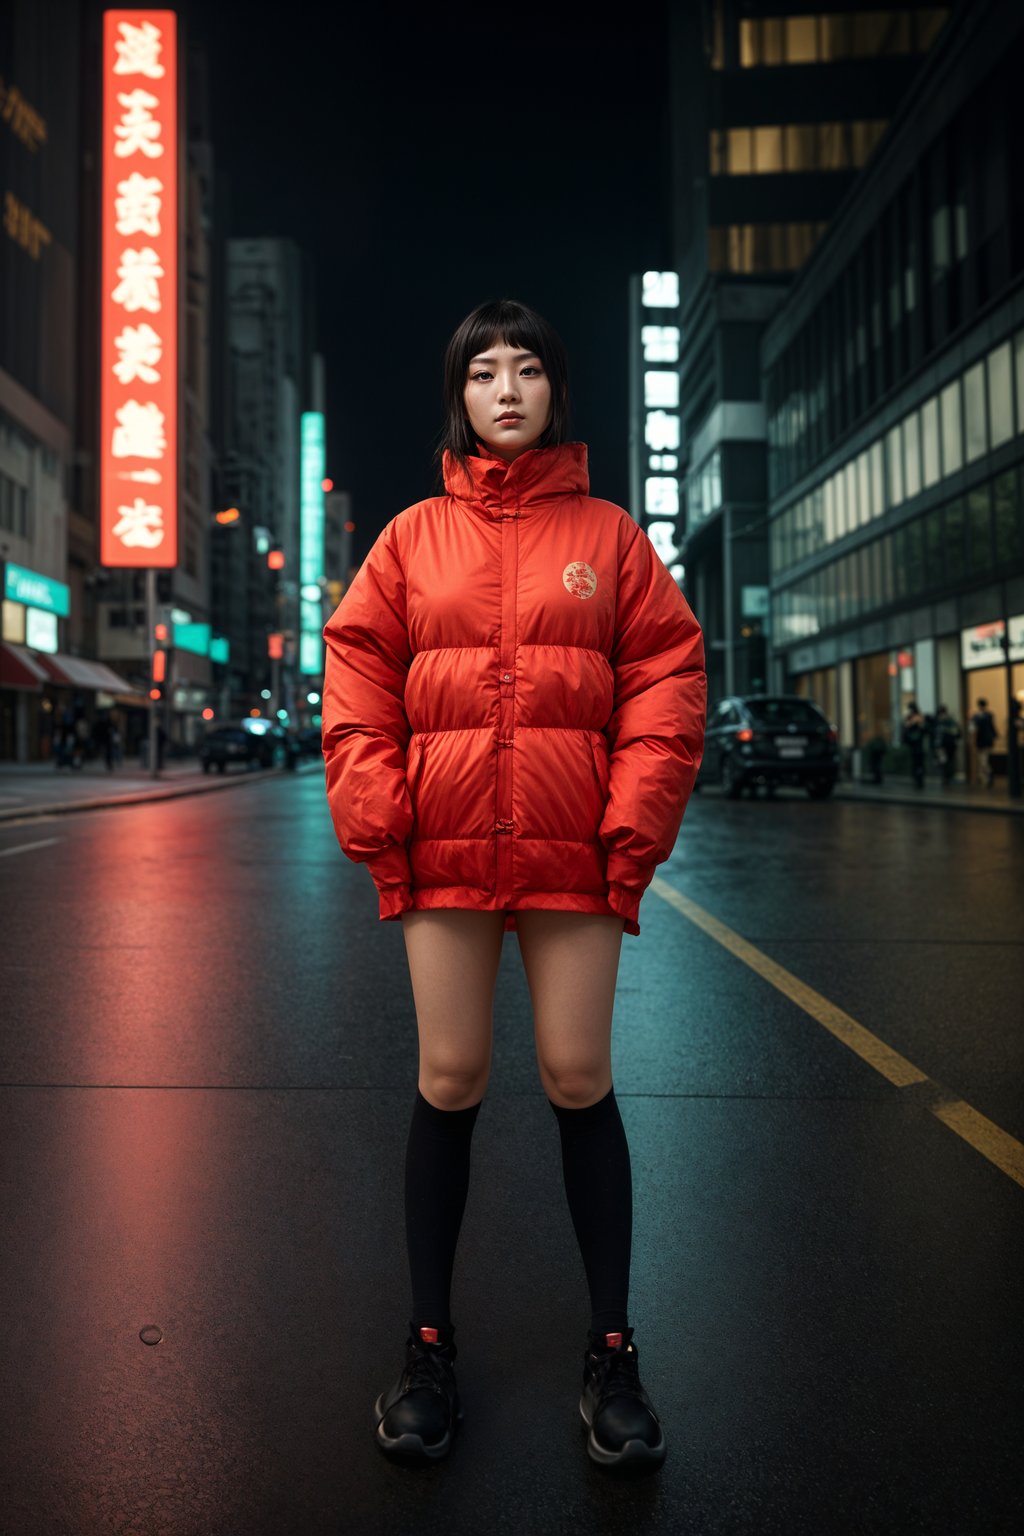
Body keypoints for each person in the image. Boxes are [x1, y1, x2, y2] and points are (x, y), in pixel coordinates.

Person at [321, 299, 706, 1473]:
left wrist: (629, 818)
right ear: (458, 395)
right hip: (443, 845)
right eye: (481, 371)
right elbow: (357, 670)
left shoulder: (612, 536)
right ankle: (428, 1348)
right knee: (449, 1075)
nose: (503, 389)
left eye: (525, 369)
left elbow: (666, 673)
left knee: (577, 1075)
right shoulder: (407, 539)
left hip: (569, 848)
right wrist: (380, 803)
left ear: (554, 393)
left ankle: (611, 1352)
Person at [969, 697, 996, 787]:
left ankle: (987, 777)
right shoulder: (989, 715)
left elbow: (974, 728)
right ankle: (984, 778)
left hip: (982, 741)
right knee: (983, 761)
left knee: (983, 761)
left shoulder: (979, 717)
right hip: (987, 741)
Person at [932, 704, 961, 786]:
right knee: (944, 762)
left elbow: (957, 733)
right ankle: (946, 778)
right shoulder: (939, 722)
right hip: (943, 746)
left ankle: (947, 777)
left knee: (947, 762)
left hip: (947, 745)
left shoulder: (948, 722)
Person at [901, 701, 927, 788]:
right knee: (916, 764)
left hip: (918, 746)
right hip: (914, 746)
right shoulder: (910, 718)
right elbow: (905, 730)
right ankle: (917, 780)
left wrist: (917, 722)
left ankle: (919, 780)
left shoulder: (918, 718)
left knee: (918, 764)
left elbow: (924, 730)